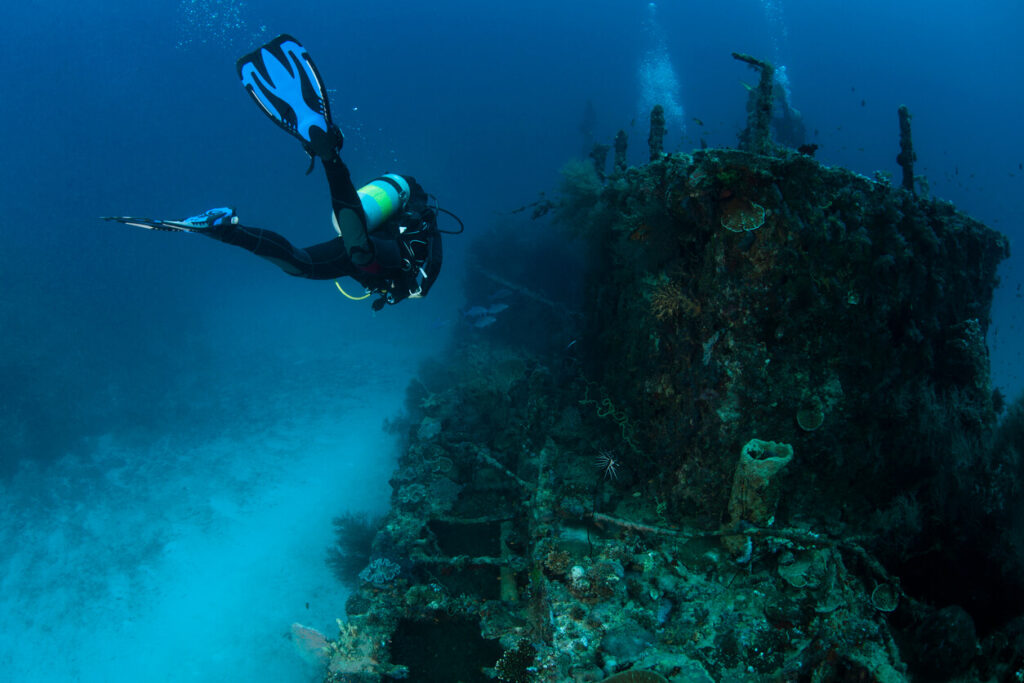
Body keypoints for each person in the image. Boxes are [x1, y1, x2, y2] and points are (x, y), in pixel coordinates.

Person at [105, 34, 456, 311]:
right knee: (358, 252)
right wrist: (414, 289)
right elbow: (428, 264)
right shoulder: (416, 261)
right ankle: (329, 156)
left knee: (301, 265)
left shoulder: (389, 268)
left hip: (363, 249)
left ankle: (224, 230)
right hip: (379, 251)